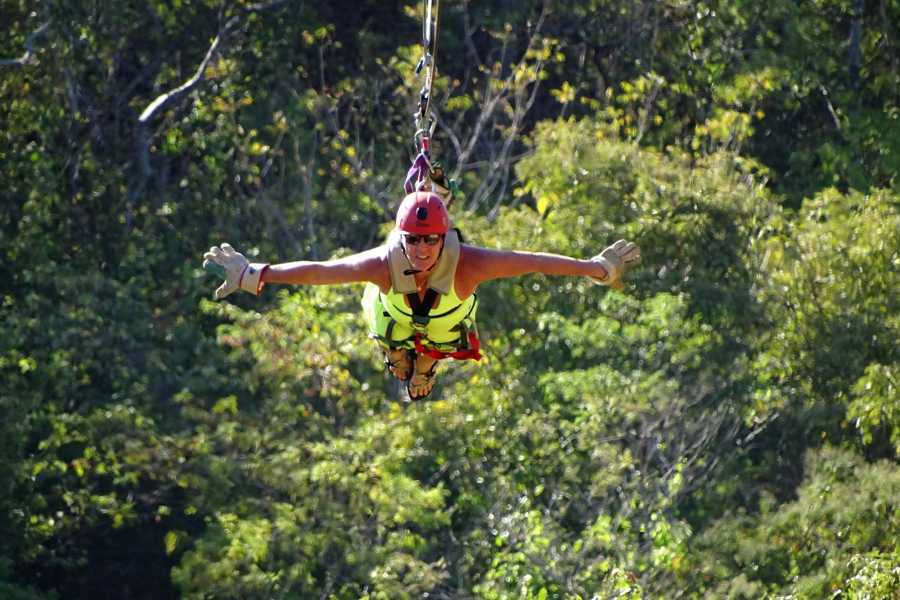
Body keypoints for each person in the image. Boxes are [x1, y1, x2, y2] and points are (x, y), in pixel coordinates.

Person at [203, 191, 640, 400]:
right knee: (390, 334)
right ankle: (401, 362)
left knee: (440, 335)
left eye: (431, 241)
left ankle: (425, 368)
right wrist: (257, 274)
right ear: (401, 237)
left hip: (445, 322)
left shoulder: (469, 263)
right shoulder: (382, 263)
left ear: (444, 237)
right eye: (413, 240)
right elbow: (325, 272)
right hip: (392, 316)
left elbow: (532, 260)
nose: (423, 250)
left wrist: (594, 269)